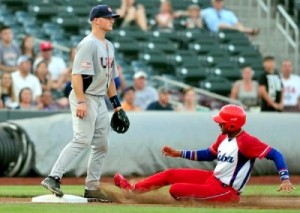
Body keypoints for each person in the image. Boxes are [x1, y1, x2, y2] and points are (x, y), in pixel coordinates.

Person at [114, 104, 295, 202]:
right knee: (170, 174)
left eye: (222, 121)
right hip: (213, 179)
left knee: (176, 190)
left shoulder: (247, 142)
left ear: (232, 124)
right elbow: (208, 154)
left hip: (226, 191)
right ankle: (133, 191)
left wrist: (285, 178)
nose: (219, 123)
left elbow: (276, 154)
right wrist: (179, 153)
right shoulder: (223, 137)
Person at [41, 4, 130, 202]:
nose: (112, 20)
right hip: (85, 96)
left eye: (112, 17)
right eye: (108, 17)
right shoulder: (88, 44)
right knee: (82, 138)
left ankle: (92, 187)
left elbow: (110, 81)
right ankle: (53, 177)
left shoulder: (109, 46)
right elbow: (76, 76)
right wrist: (81, 101)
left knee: (102, 144)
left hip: (99, 99)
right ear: (96, 20)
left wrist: (117, 105)